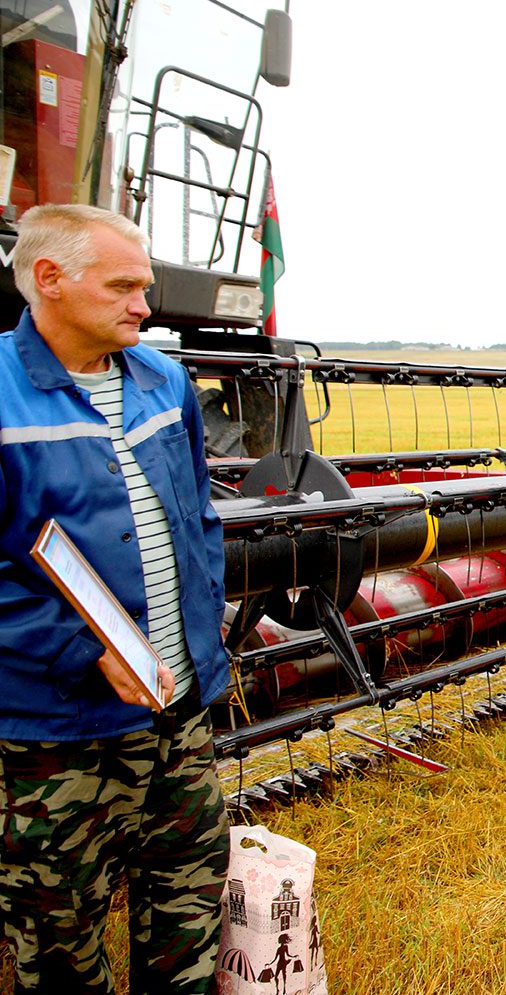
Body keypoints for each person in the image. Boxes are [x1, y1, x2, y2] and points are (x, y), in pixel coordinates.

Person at [0, 204, 230, 993]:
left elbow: (199, 518)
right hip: (58, 733)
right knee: (60, 939)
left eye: (146, 285)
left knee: (190, 912)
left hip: (178, 713)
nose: (144, 305)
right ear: (49, 279)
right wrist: (80, 648)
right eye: (123, 286)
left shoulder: (164, 380)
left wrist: (204, 633)